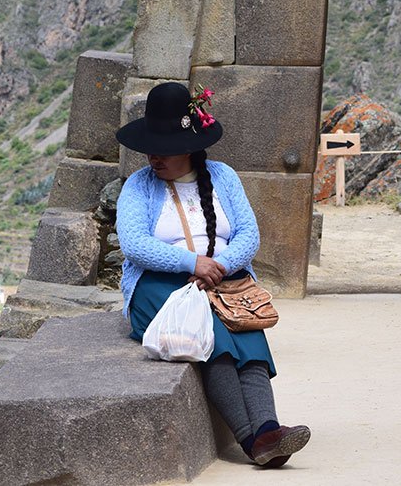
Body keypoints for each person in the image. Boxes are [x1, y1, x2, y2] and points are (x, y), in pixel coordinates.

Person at [114, 82, 310, 468]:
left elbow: (248, 234)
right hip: (159, 283)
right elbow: (134, 243)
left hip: (223, 279)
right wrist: (192, 264)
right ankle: (253, 440)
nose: (154, 156)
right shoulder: (139, 187)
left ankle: (269, 429)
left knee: (247, 330)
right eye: (151, 147)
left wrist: (217, 267)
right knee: (212, 336)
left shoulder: (223, 177)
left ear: (188, 147)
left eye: (164, 148)